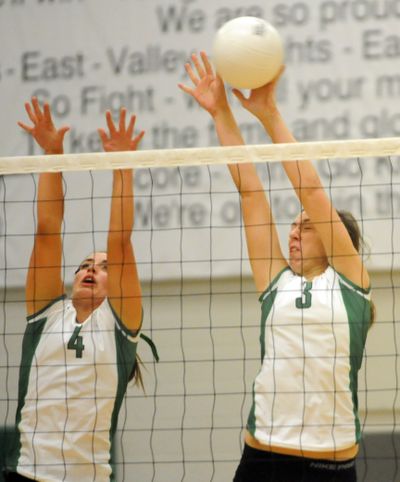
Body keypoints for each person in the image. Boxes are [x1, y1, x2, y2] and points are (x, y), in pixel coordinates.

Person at [179, 52, 373, 482]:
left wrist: (268, 115)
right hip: (262, 457)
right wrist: (221, 111)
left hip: (329, 462)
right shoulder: (276, 281)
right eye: (293, 226)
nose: (294, 233)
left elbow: (311, 191)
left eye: (306, 226)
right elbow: (250, 191)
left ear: (337, 240)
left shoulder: (351, 284)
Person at [5, 99, 145, 482]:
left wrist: (122, 169)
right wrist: (52, 155)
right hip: (25, 474)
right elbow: (47, 232)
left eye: (102, 268)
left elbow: (120, 242)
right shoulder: (48, 314)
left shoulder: (118, 328)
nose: (91, 270)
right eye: (85, 264)